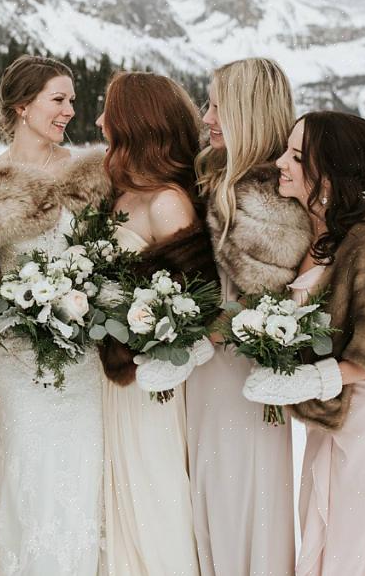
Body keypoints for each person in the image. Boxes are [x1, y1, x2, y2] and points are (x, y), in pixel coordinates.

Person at [243, 111, 365, 575]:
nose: (280, 163)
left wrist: (319, 376)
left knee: (364, 533)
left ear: (326, 171)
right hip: (332, 409)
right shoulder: (305, 225)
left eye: (295, 155)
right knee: (324, 517)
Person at [0, 54, 111, 576]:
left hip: (84, 358)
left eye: (72, 100)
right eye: (57, 99)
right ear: (22, 105)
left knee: (84, 474)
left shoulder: (94, 173)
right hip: (16, 357)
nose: (69, 110)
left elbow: (110, 259)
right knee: (25, 469)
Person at [187, 57, 312, 576]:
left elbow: (267, 305)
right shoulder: (220, 182)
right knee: (211, 508)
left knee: (242, 509)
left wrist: (202, 325)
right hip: (208, 377)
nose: (206, 115)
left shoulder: (267, 199)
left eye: (218, 104)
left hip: (241, 380)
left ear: (248, 112)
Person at [94, 71, 214, 575]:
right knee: (116, 492)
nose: (99, 120)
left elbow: (199, 306)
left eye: (109, 111)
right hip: (111, 378)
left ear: (135, 123)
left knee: (154, 487)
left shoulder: (168, 200)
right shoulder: (119, 194)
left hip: (151, 382)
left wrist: (159, 355)